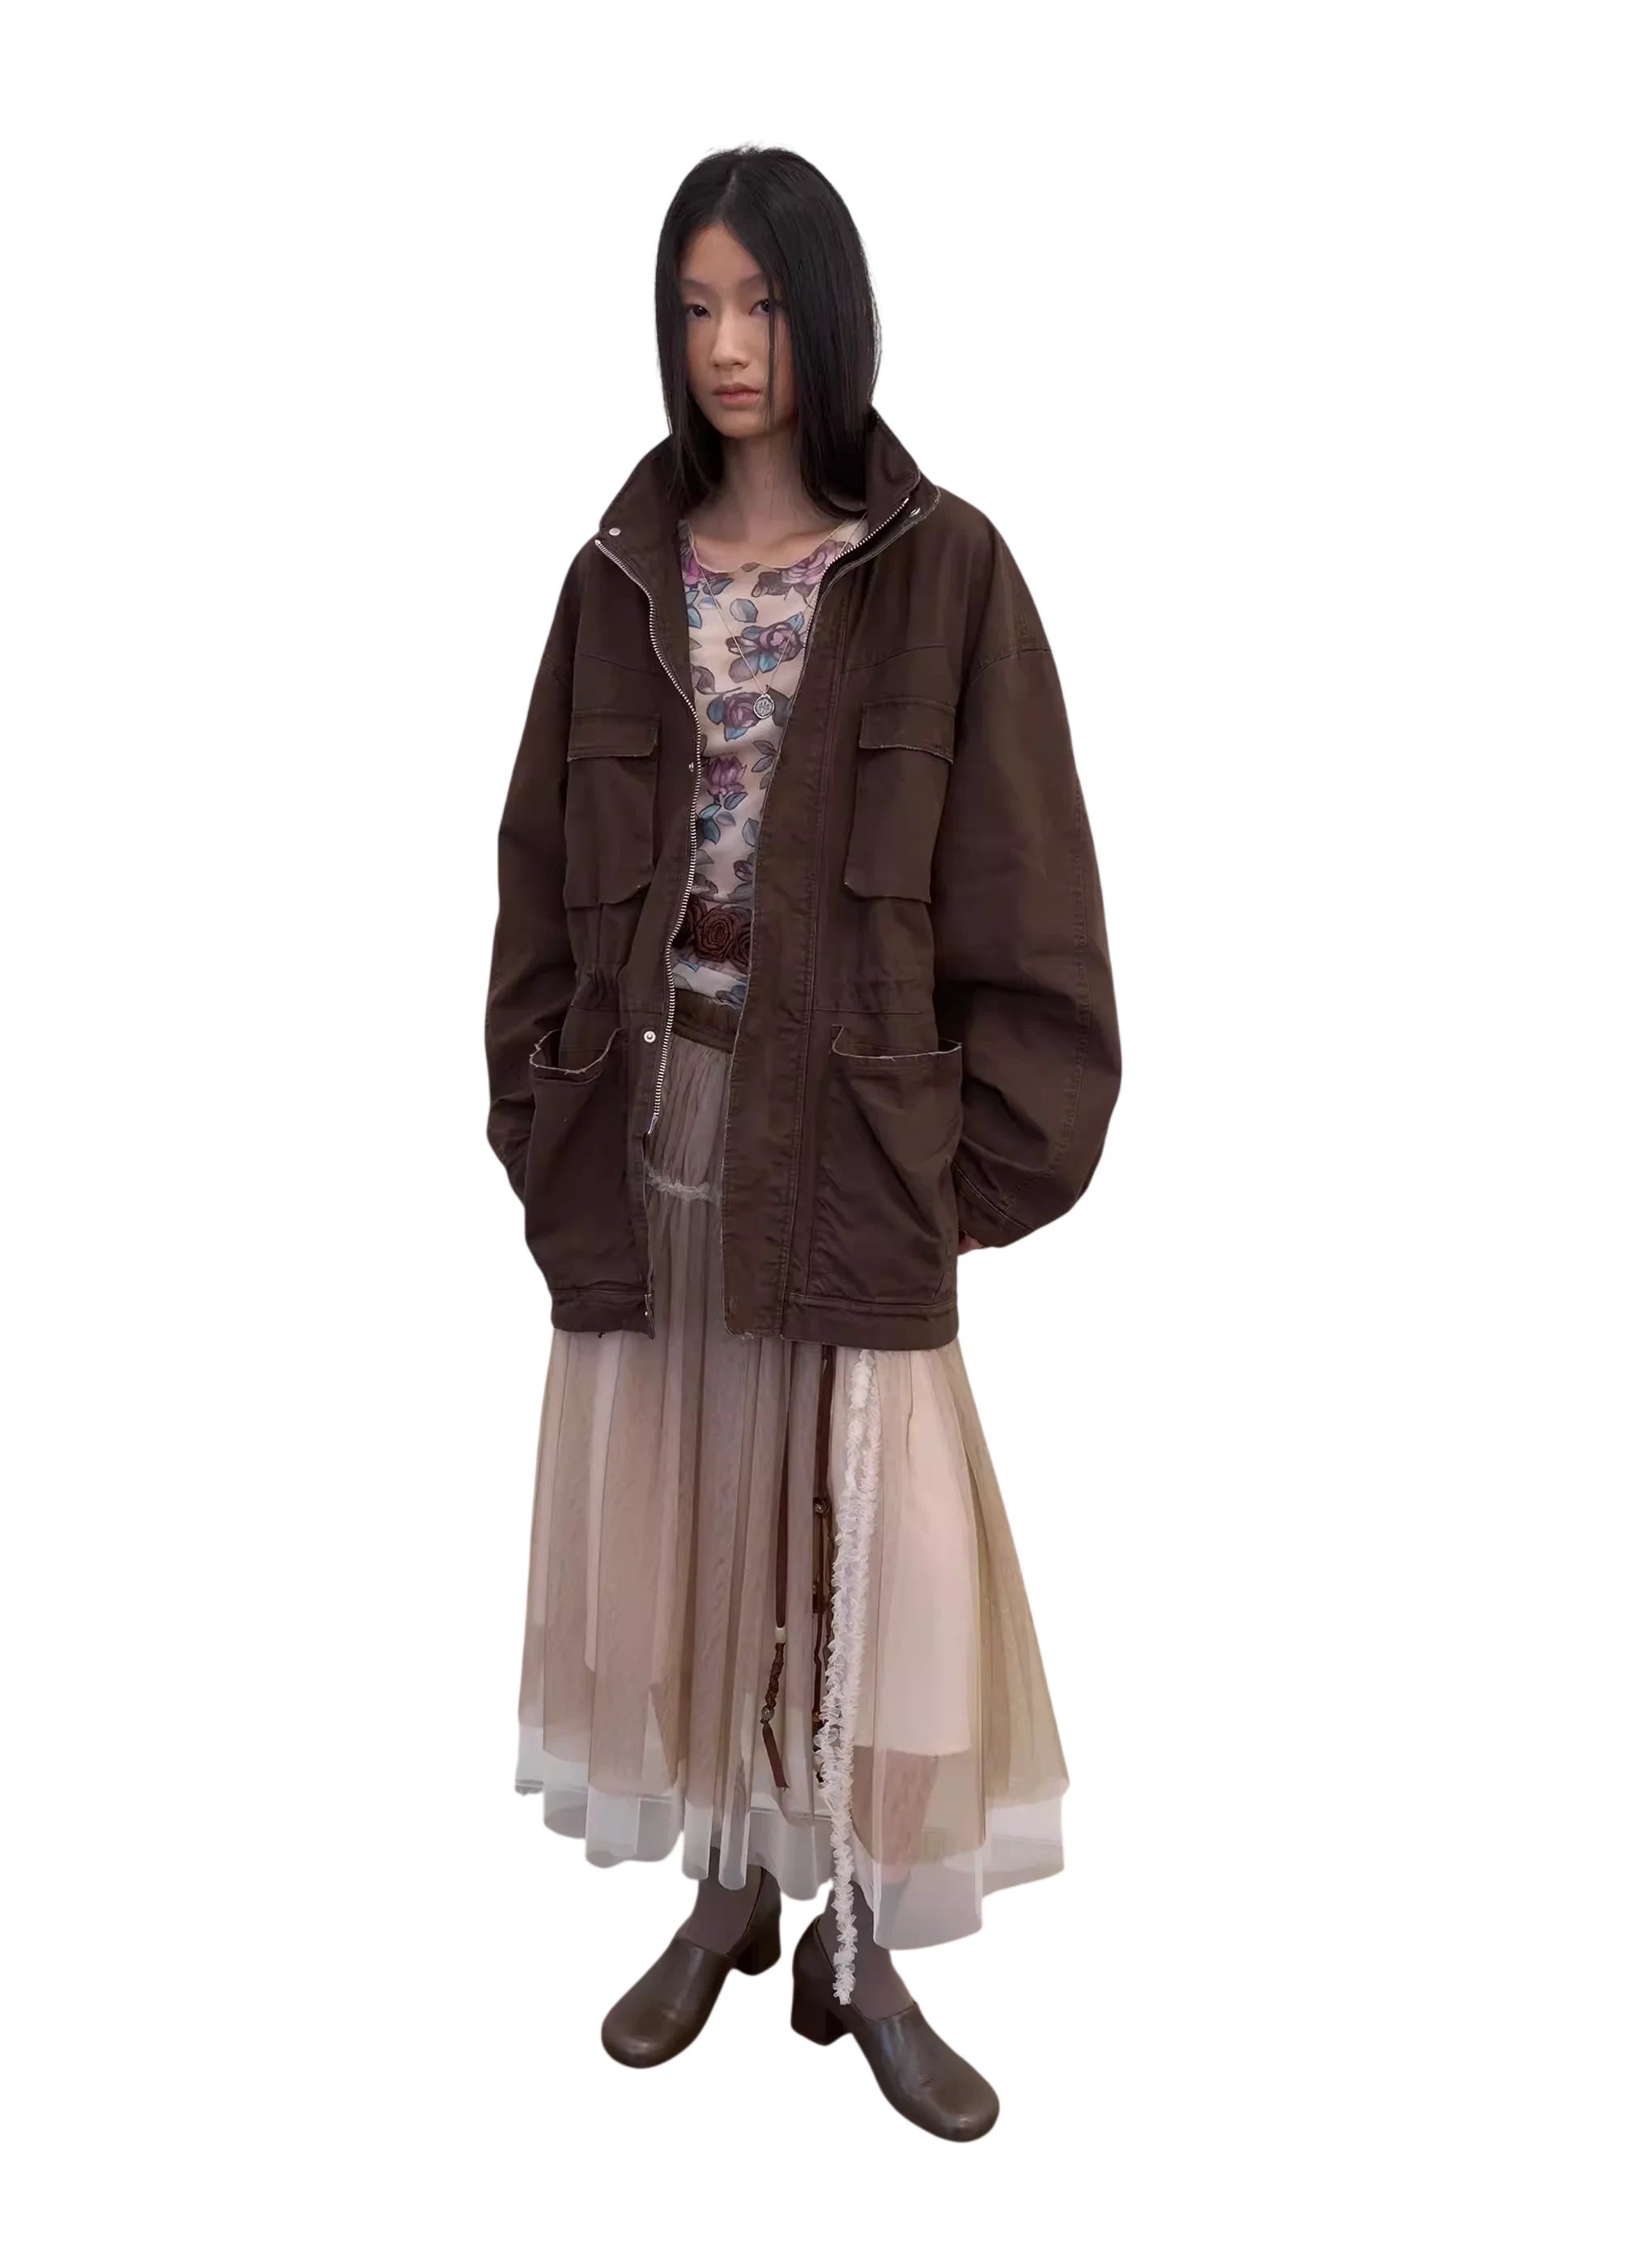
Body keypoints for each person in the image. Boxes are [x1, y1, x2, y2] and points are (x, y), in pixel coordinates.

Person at [483, 143, 1121, 2143]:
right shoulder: (617, 578)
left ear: (827, 313)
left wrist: (964, 1167)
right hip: (654, 1122)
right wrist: (538, 1105)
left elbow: (1027, 886)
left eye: (760, 303)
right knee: (687, 1517)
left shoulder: (945, 570)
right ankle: (726, 1887)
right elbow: (532, 883)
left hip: (849, 1134)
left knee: (864, 1541)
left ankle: (864, 1938)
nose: (727, 345)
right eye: (695, 307)